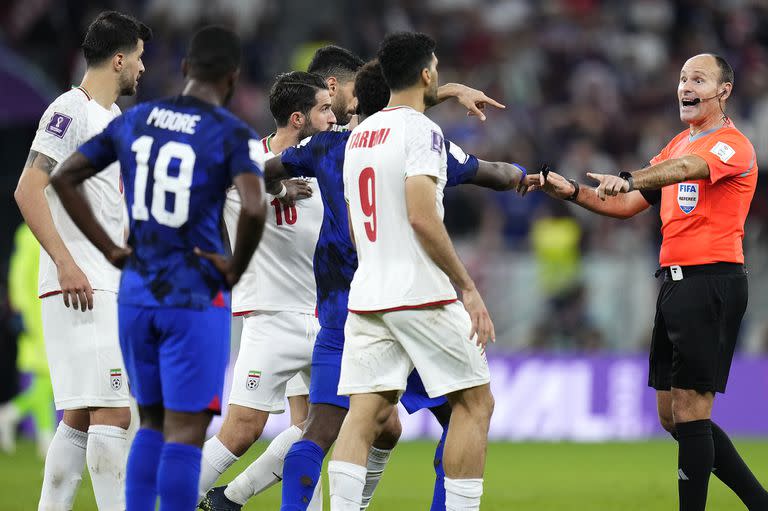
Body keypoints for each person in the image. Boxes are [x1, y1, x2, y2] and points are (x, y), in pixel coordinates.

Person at [201, 57, 521, 511]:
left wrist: (445, 90)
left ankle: (233, 499)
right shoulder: (413, 138)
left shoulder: (323, 148)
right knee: (462, 413)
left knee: (334, 427)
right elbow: (491, 174)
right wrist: (533, 178)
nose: (335, 108)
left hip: (334, 309)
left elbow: (258, 174)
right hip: (395, 300)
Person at [529, 53, 768, 511]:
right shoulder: (677, 143)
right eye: (682, 78)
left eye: (698, 79)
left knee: (693, 412)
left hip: (712, 282)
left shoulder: (732, 145)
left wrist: (631, 177)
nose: (686, 86)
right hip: (674, 284)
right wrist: (574, 192)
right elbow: (627, 204)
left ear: (724, 91)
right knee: (672, 416)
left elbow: (682, 173)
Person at [50, 26, 267, 511]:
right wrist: (233, 269)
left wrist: (110, 251)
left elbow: (66, 179)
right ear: (232, 78)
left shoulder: (138, 119)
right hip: (194, 296)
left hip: (136, 292)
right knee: (186, 432)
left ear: (186, 69)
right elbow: (254, 208)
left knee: (147, 422)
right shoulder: (232, 133)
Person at [13, 11, 150, 510]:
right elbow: (28, 190)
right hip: (81, 285)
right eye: (138, 57)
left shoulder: (112, 120)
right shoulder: (68, 111)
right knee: (115, 413)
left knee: (80, 417)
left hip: (104, 282)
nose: (142, 67)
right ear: (118, 58)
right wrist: (67, 263)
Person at [197, 71, 335, 509]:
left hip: (325, 318)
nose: (332, 117)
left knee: (331, 424)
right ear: (298, 118)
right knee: (242, 429)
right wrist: (275, 184)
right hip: (271, 318)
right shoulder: (246, 159)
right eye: (324, 109)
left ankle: (231, 498)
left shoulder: (327, 162)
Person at [0, 223, 55, 458]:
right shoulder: (30, 230)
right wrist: (21, 311)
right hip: (36, 317)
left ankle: (13, 417)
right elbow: (19, 273)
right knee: (46, 378)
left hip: (49, 313)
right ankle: (43, 437)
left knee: (45, 382)